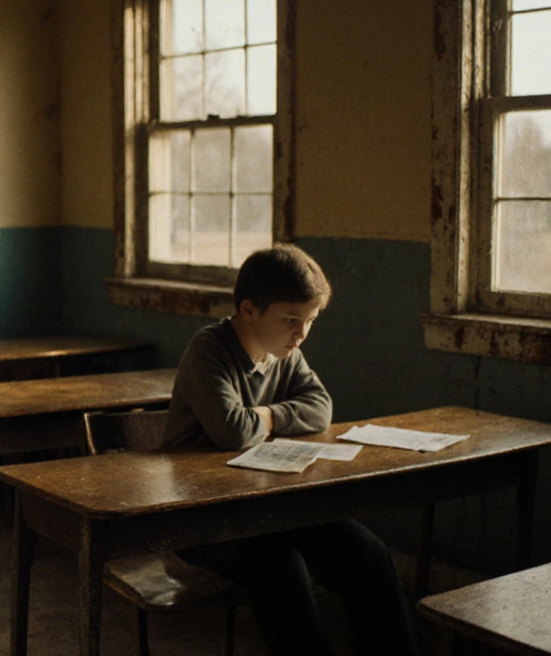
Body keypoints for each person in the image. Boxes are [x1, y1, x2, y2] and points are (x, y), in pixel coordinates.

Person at [166, 244, 418, 656]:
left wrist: (263, 415)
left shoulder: (284, 352)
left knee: (367, 553)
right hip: (202, 516)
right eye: (290, 321)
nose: (301, 335)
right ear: (249, 310)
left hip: (270, 505)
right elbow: (232, 430)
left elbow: (320, 408)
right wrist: (267, 420)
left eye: (310, 321)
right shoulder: (208, 350)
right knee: (279, 566)